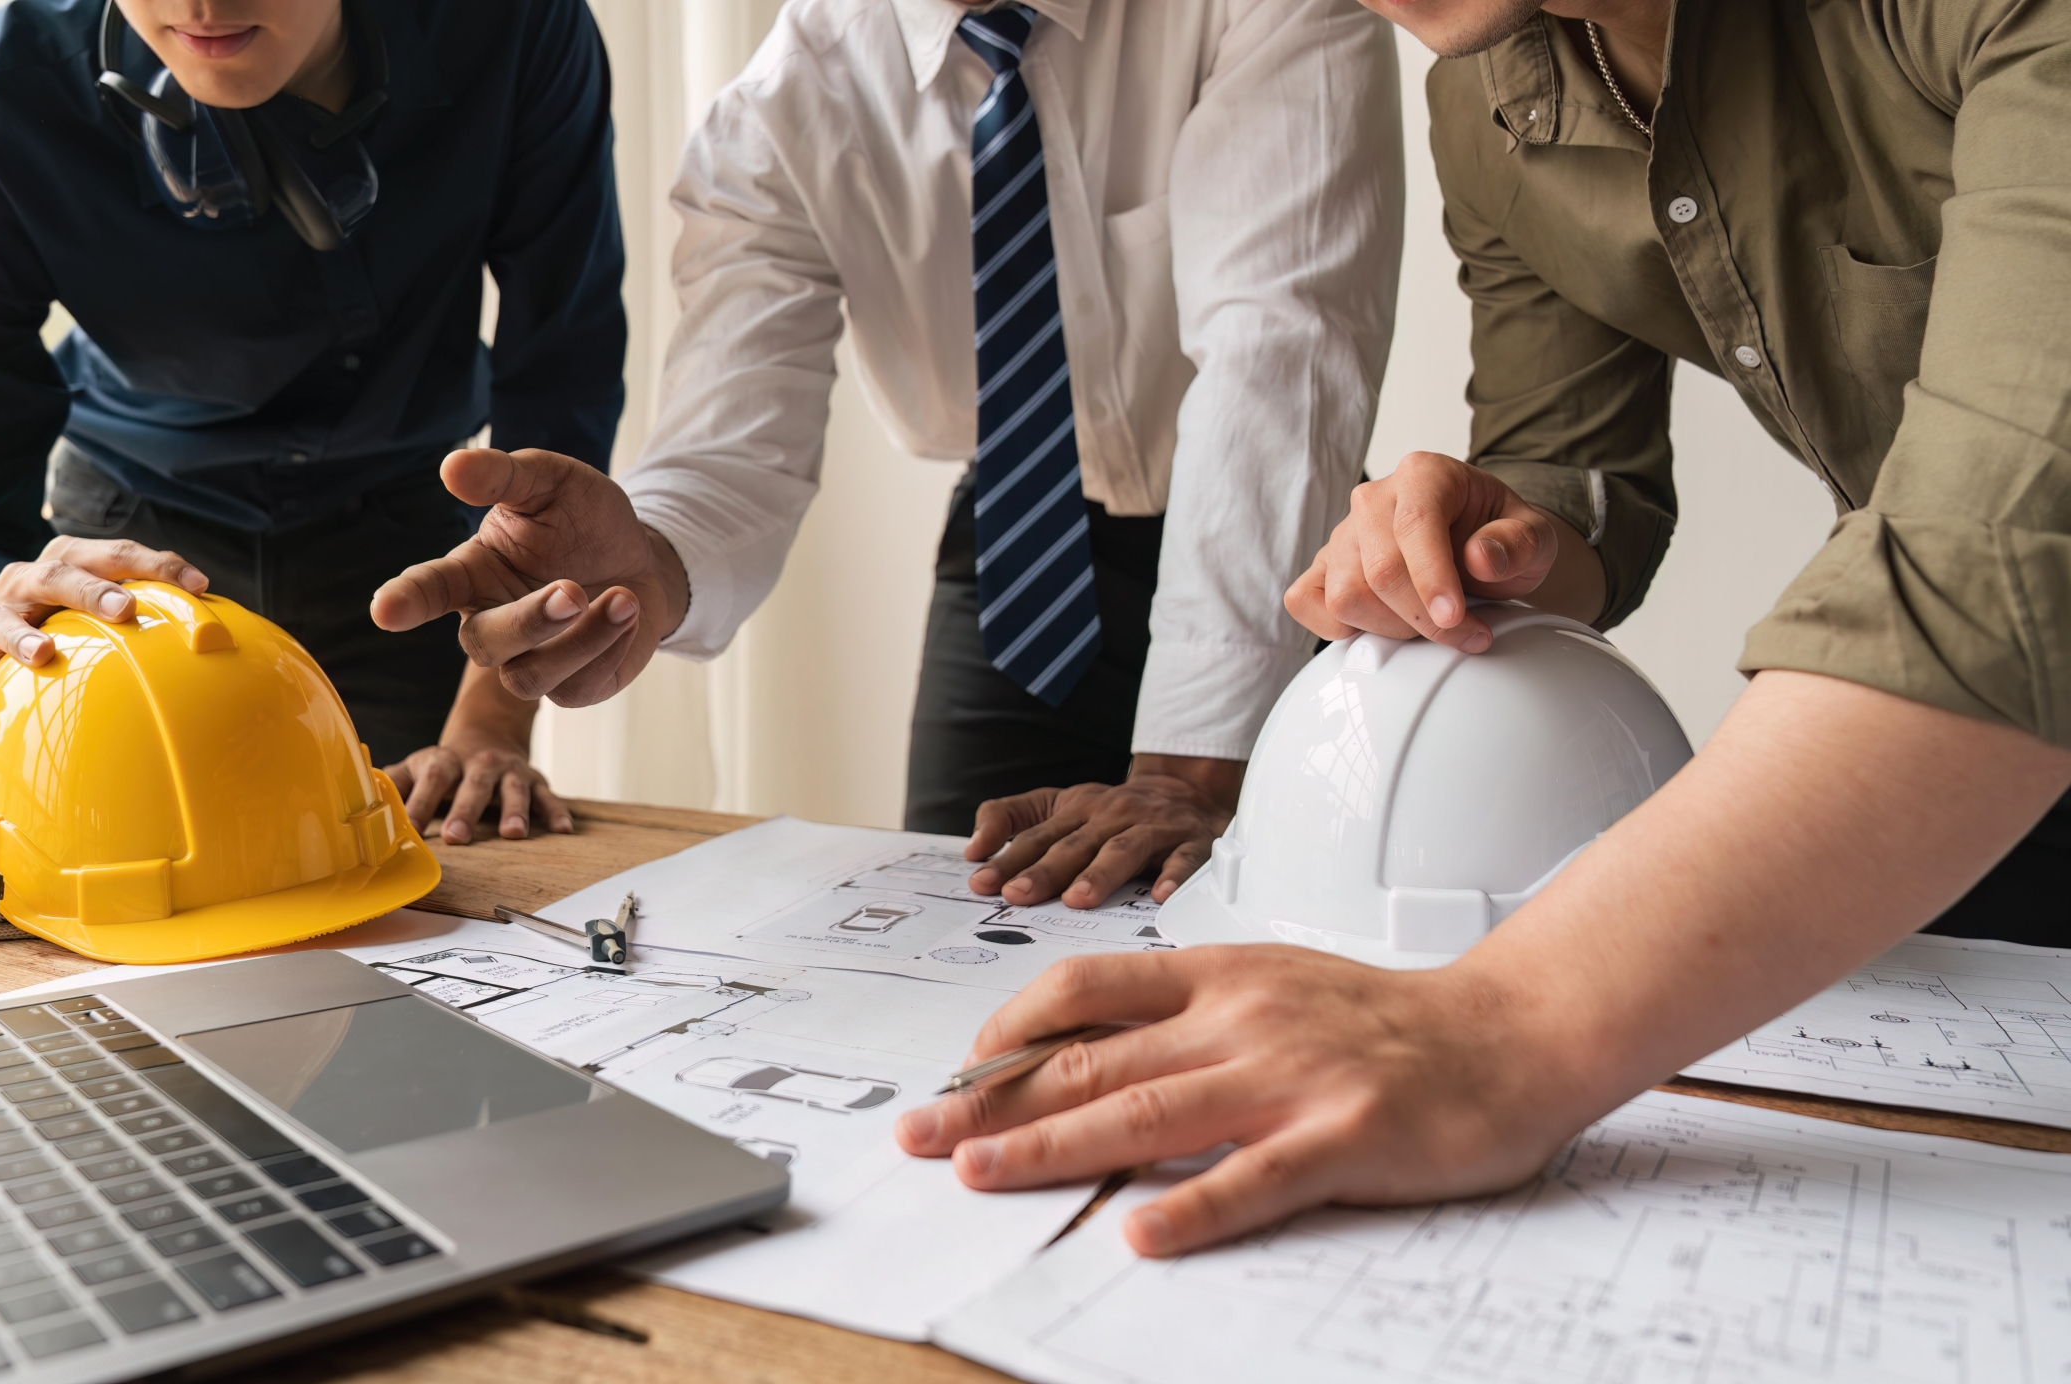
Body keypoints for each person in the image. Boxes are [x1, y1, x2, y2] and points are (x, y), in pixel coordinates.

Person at [887, 0, 2071, 1260]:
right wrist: (1500, 537)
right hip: (1978, 753)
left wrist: (1499, 1025)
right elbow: (1580, 473)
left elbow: (1995, 553)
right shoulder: (1488, 92)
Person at [367, 0, 1403, 906]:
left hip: (1282, 543)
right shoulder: (786, 100)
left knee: (1301, 921)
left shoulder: (1257, 9)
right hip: (1025, 550)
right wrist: (651, 561)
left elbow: (1279, 361)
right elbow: (734, 442)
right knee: (959, 930)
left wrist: (1187, 772)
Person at [0, 0, 623, 843]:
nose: (204, 7)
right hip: (130, 566)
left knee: (430, 886)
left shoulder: (522, 26)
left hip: (411, 558)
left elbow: (562, 377)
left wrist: (489, 720)